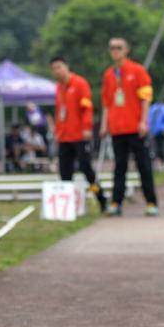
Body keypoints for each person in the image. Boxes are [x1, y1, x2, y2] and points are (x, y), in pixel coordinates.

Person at [100, 38, 159, 216]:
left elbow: (146, 98)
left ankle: (151, 202)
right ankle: (116, 203)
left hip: (135, 127)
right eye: (112, 48)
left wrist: (143, 121)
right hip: (117, 128)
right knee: (119, 167)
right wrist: (104, 125)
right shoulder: (109, 74)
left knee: (143, 166)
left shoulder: (137, 70)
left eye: (119, 48)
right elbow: (106, 102)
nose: (115, 51)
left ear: (126, 50)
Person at [50, 56, 108, 211]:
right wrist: (57, 131)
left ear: (67, 66)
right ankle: (66, 207)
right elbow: (58, 112)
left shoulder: (79, 83)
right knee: (64, 171)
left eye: (59, 67)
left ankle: (101, 198)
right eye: (54, 68)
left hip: (79, 135)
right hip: (64, 136)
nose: (57, 71)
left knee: (86, 169)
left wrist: (87, 127)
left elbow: (87, 108)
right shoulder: (58, 88)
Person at [148, 101, 164, 165]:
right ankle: (162, 160)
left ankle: (155, 159)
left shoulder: (152, 108)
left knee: (154, 146)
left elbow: (149, 119)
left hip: (153, 130)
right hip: (162, 130)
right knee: (162, 146)